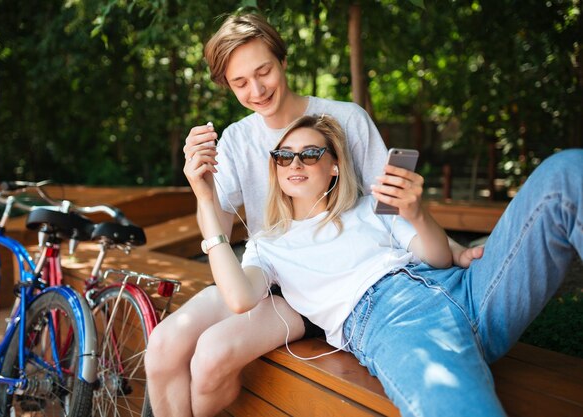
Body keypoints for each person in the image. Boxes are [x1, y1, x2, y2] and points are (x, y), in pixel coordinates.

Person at [145, 12, 481, 417]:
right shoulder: (235, 140)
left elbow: (392, 206)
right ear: (226, 86)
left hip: (320, 285)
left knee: (211, 356)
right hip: (264, 268)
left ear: (283, 62)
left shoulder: (345, 118)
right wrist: (199, 184)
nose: (256, 89)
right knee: (163, 345)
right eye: (239, 83)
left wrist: (452, 248)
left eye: (263, 71)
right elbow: (215, 225)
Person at [182, 113, 583, 417]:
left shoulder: (369, 210)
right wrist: (205, 200)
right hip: (393, 323)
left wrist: (415, 212)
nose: (295, 163)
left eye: (310, 153)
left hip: (469, 288)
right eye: (284, 156)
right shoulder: (269, 245)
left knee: (564, 174)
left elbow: (439, 257)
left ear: (334, 166)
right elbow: (237, 297)